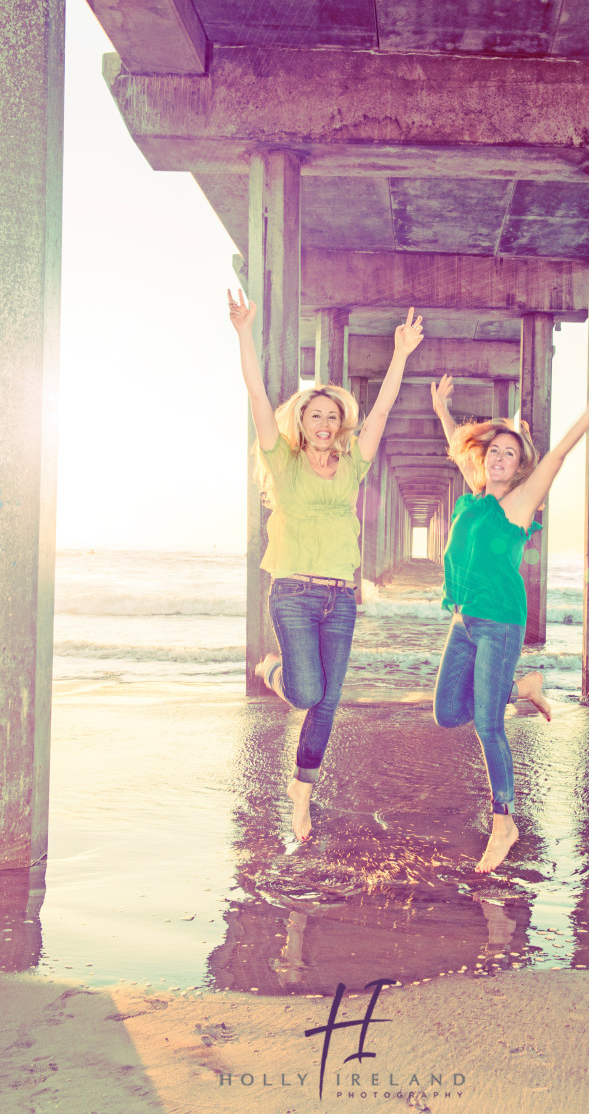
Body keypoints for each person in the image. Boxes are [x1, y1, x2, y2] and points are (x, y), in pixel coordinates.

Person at [229, 288, 423, 841]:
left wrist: (400, 355)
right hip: (292, 591)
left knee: (328, 702)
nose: (322, 421)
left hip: (342, 595)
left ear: (340, 424)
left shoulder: (353, 463)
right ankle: (272, 671)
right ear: (303, 421)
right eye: (314, 414)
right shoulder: (282, 461)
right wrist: (244, 332)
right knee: (309, 692)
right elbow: (258, 396)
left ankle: (302, 793)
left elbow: (382, 410)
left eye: (331, 415)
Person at [430, 366, 589, 873]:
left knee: (485, 724)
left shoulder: (520, 503)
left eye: (511, 453)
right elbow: (459, 449)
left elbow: (561, 453)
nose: (500, 458)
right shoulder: (473, 497)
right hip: (464, 620)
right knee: (446, 713)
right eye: (494, 451)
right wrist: (442, 411)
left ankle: (505, 822)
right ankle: (521, 689)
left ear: (521, 465)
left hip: (501, 621)